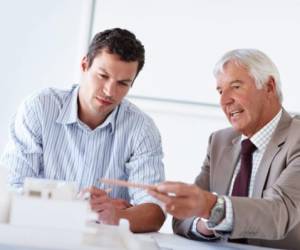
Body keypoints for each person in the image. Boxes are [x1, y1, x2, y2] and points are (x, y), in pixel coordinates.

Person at [0, 28, 165, 232]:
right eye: (103, 76)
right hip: (39, 235)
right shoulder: (39, 109)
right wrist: (75, 208)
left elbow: (155, 212)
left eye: (123, 83)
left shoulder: (142, 129)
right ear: (84, 65)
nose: (110, 91)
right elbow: (10, 190)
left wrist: (116, 215)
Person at [149, 49, 300, 249]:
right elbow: (183, 220)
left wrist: (212, 207)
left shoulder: (296, 139)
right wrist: (209, 221)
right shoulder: (219, 141)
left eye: (235, 87)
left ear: (269, 87)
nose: (224, 101)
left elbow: (280, 213)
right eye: (221, 91)